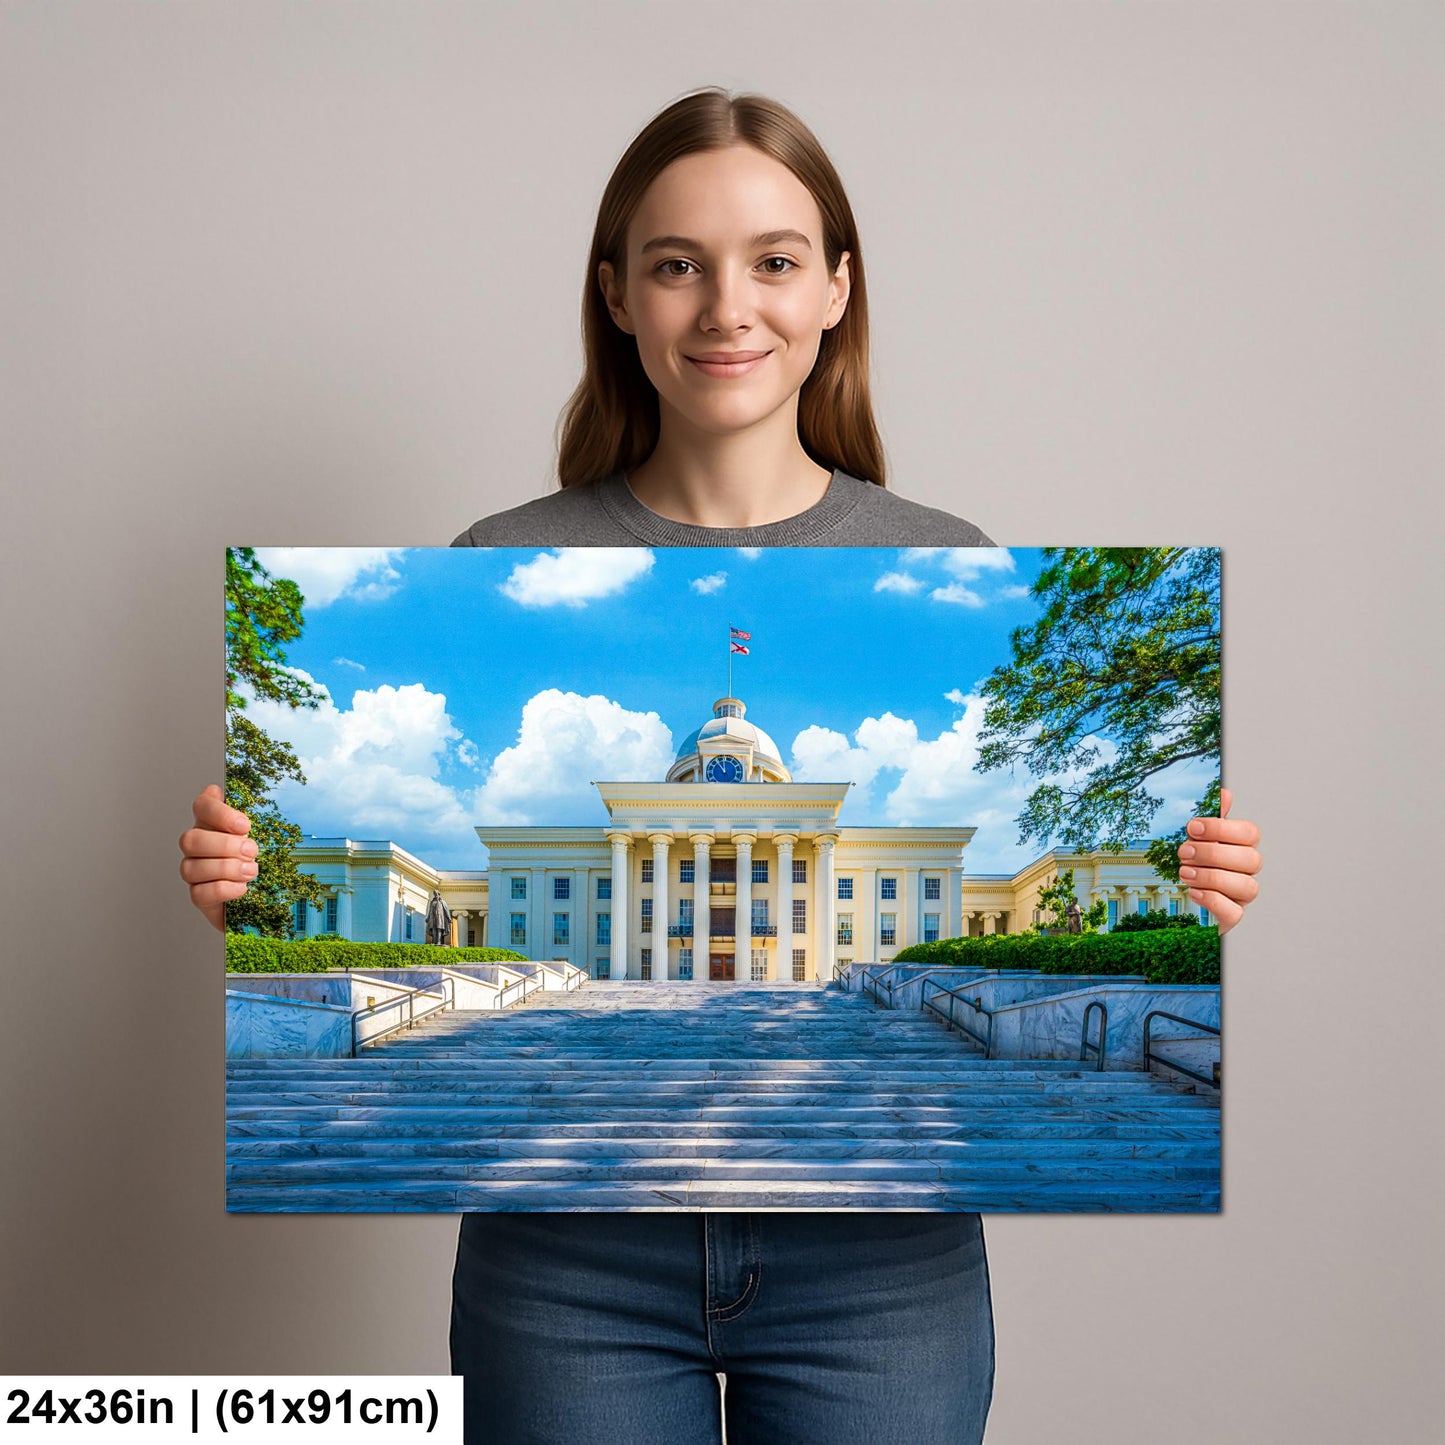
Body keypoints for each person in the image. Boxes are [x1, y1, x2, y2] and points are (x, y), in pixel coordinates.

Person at [181, 88, 1263, 1445]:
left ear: (833, 291)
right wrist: (246, 890)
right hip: (564, 1244)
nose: (725, 305)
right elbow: (263, 929)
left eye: (772, 258)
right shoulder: (505, 542)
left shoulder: (944, 545)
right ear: (618, 295)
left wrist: (1197, 890)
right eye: (676, 262)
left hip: (883, 1251)